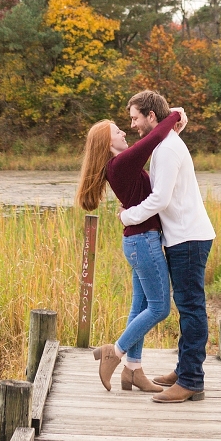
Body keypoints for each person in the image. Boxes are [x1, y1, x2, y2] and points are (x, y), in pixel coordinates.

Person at [76, 105, 187, 392]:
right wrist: (174, 115)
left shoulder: (119, 166)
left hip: (138, 241)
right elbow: (153, 139)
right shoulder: (121, 163)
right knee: (160, 308)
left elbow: (157, 143)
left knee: (140, 306)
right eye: (117, 130)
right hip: (143, 241)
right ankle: (116, 351)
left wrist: (174, 127)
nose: (124, 130)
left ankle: (133, 370)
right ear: (107, 142)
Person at [119, 90, 215, 403]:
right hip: (181, 237)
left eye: (135, 118)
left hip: (189, 238)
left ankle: (190, 381)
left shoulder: (168, 149)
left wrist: (127, 215)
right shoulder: (165, 144)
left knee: (191, 309)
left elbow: (160, 198)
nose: (132, 125)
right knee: (187, 307)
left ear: (151, 116)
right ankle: (185, 368)